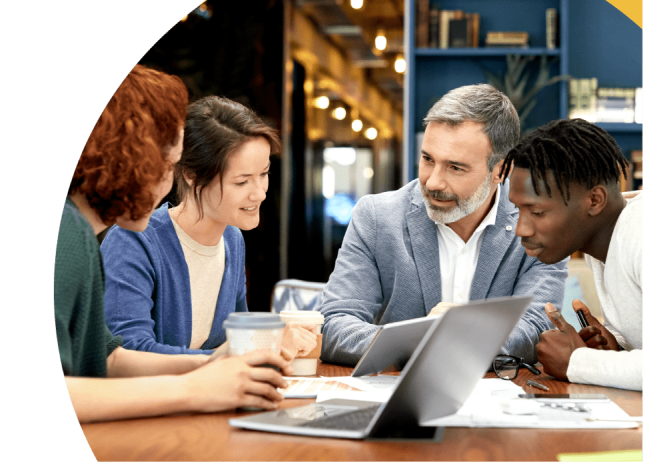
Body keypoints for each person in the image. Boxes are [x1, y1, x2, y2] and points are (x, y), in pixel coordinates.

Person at [54, 64, 292, 423]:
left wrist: (219, 363)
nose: (170, 183)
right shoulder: (68, 236)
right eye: (169, 164)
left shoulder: (79, 234)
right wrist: (198, 388)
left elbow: (110, 359)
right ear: (133, 160)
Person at [318, 84, 567, 366]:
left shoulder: (539, 227)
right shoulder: (376, 218)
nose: (433, 182)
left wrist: (461, 339)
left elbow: (537, 329)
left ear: (502, 169)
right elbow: (333, 324)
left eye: (455, 167)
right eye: (427, 159)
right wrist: (418, 341)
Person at [100, 95, 316, 358]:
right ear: (191, 175)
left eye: (264, 174)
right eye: (242, 182)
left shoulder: (232, 239)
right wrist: (259, 347)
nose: (259, 193)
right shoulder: (134, 240)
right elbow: (128, 352)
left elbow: (235, 341)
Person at [502, 118, 642, 391]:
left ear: (594, 200)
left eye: (537, 212)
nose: (521, 228)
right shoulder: (605, 243)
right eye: (518, 210)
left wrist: (578, 362)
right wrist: (615, 347)